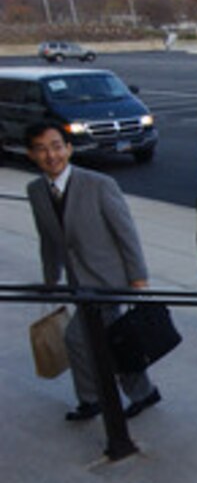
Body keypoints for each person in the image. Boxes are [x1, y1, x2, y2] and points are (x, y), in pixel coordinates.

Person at [24, 121, 161, 421]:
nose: (51, 156)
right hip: (79, 283)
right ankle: (141, 393)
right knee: (111, 342)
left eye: (57, 147)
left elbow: (126, 233)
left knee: (83, 339)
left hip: (110, 281)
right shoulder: (35, 192)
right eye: (42, 150)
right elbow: (49, 240)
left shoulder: (98, 184)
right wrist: (51, 281)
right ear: (31, 154)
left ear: (69, 148)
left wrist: (138, 277)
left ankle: (95, 400)